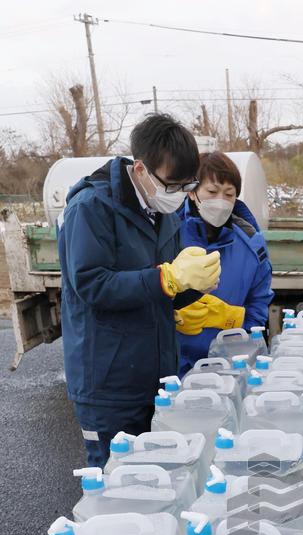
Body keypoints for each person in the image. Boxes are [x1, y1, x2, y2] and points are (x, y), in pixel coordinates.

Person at [58, 113, 221, 467]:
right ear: (142, 169)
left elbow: (164, 288)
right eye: (172, 185)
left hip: (156, 376)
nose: (179, 195)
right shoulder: (91, 207)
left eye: (186, 186)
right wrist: (168, 278)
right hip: (108, 381)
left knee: (157, 482)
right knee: (115, 481)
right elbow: (92, 284)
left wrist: (194, 284)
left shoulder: (164, 210)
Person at [175, 151, 273, 374]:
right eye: (211, 191)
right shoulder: (167, 234)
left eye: (229, 194)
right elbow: (148, 286)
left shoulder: (252, 244)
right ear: (192, 192)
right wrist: (171, 314)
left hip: (228, 367)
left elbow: (259, 302)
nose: (220, 201)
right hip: (172, 367)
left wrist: (237, 327)